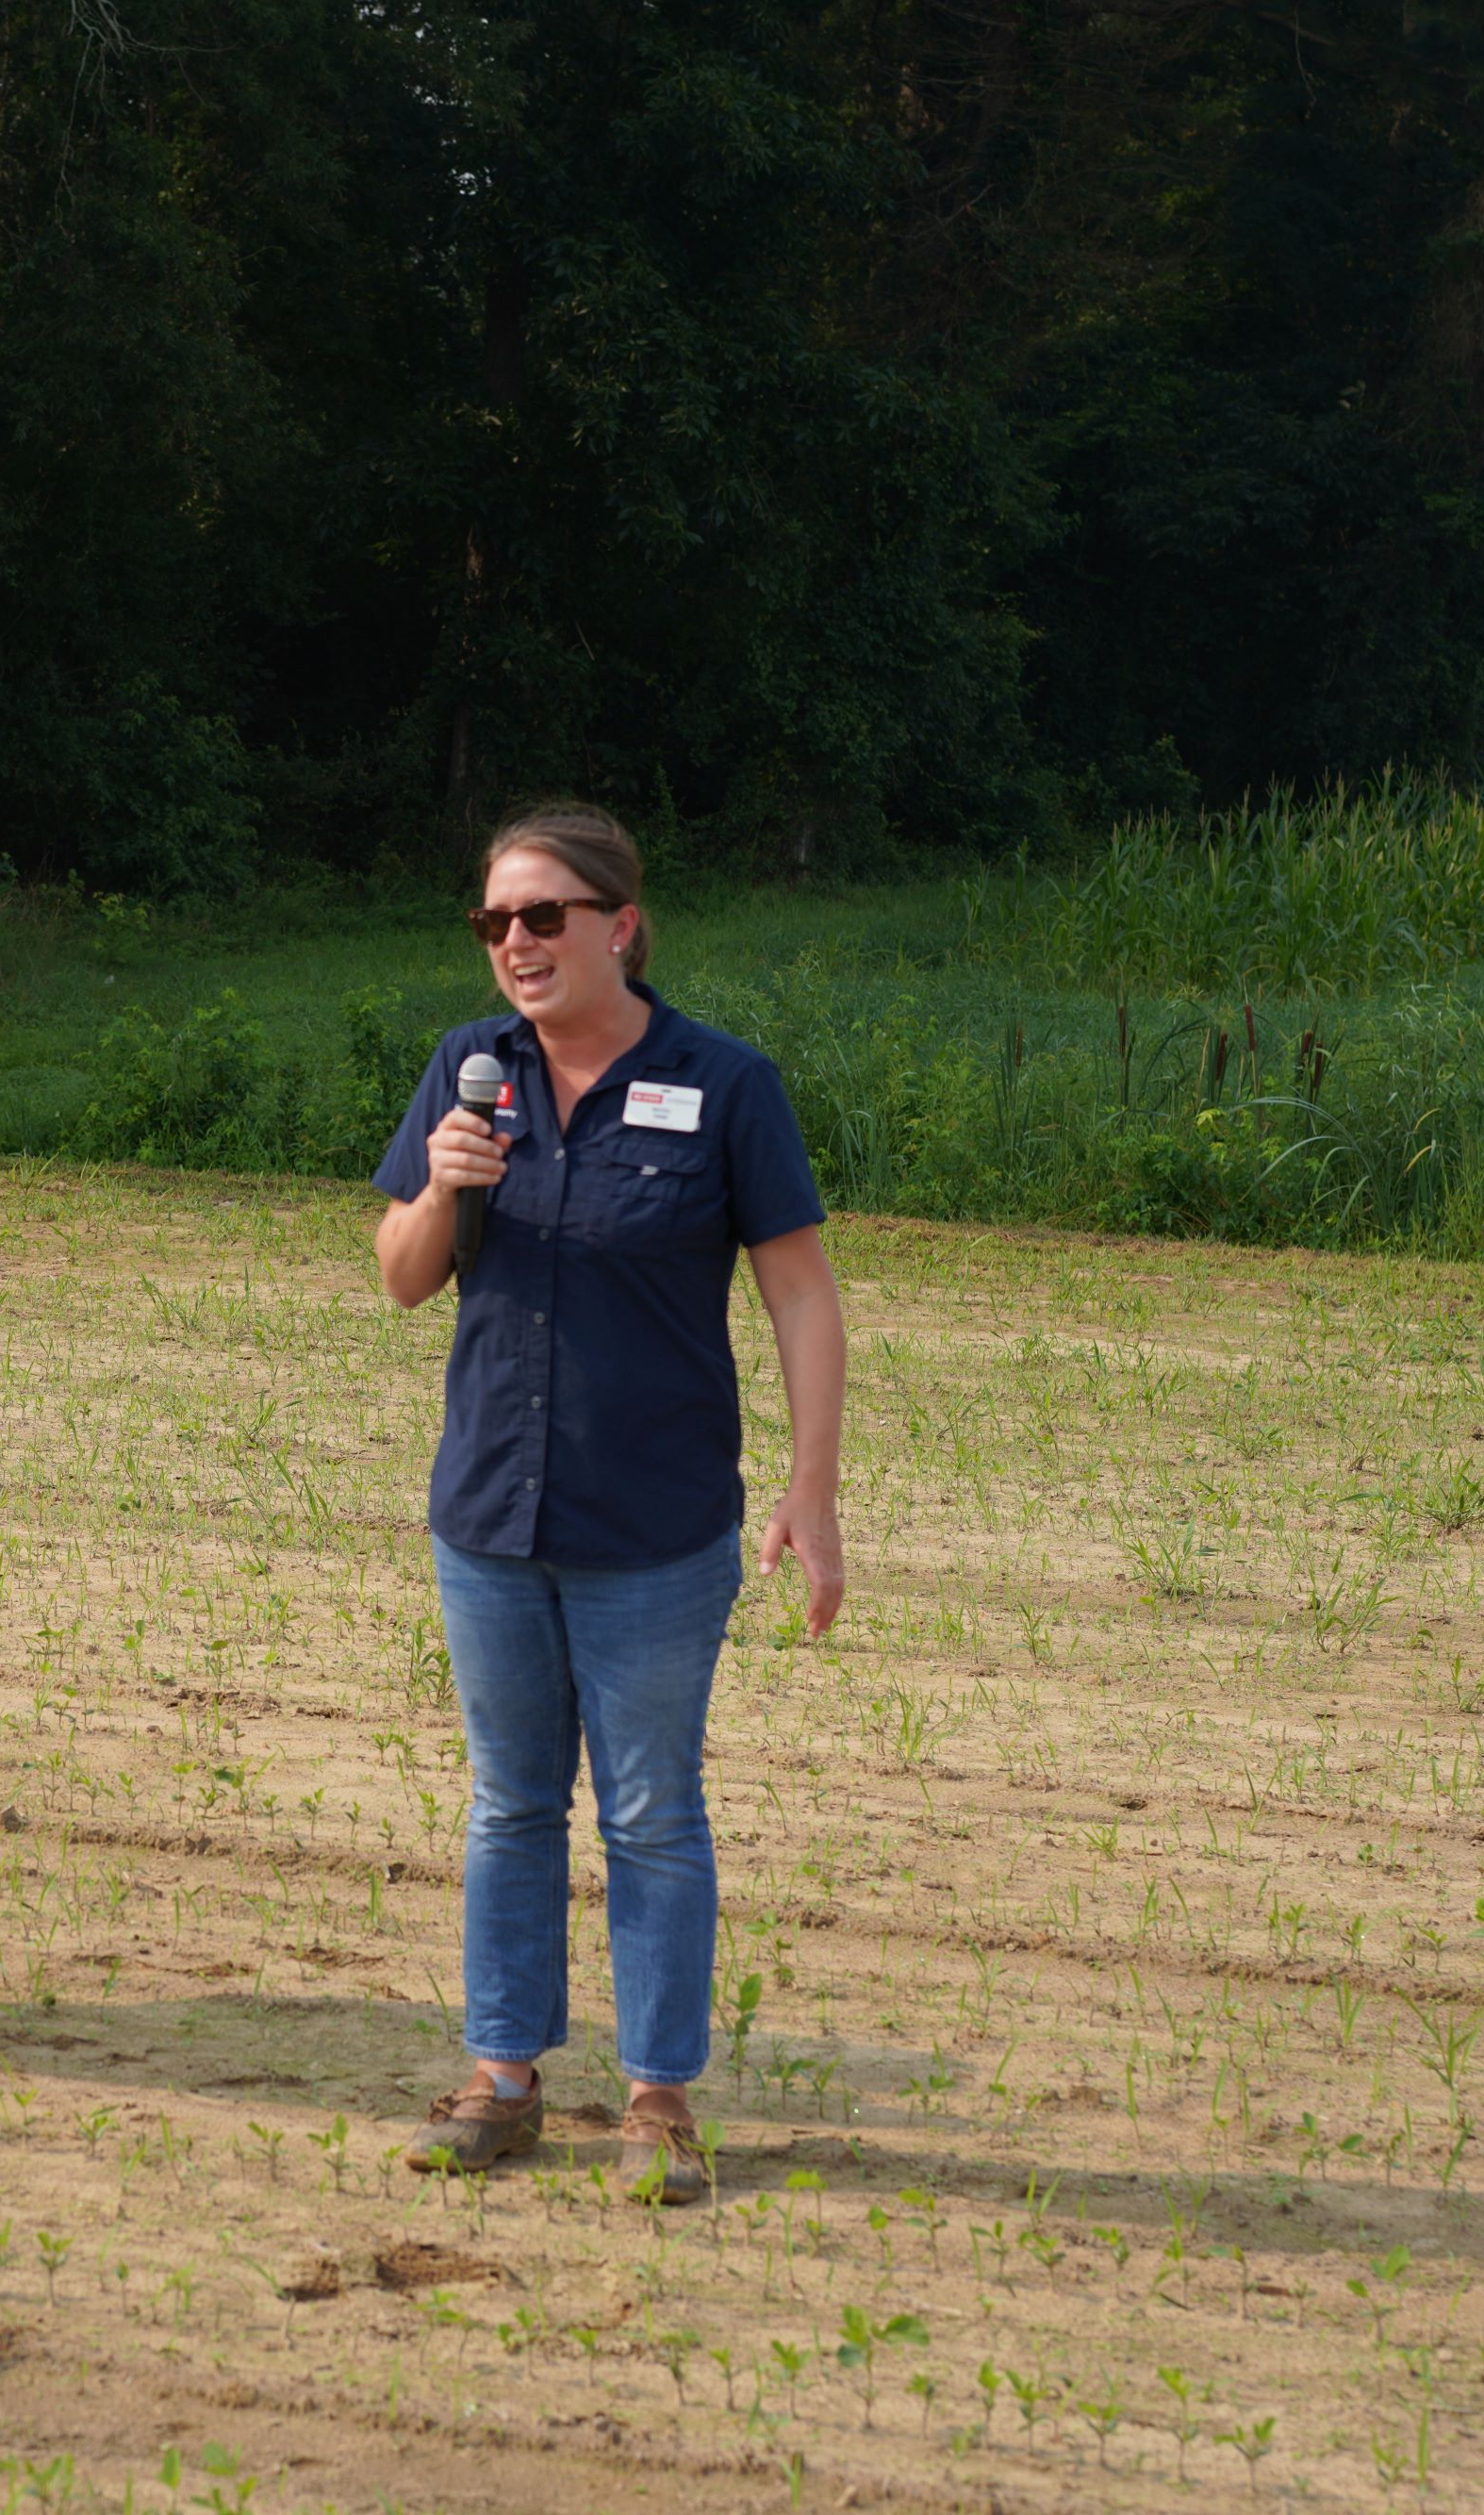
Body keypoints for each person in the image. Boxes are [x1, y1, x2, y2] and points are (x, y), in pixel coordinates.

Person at [371, 802, 847, 2204]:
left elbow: (803, 1295)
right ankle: (503, 2079)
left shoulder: (722, 1085)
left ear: (619, 925)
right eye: (493, 921)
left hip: (656, 1527)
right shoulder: (469, 1075)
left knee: (648, 1812)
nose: (515, 943)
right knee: (510, 1805)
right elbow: (400, 1274)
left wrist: (813, 1493)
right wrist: (442, 1192)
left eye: (543, 917)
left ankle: (657, 2102)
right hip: (493, 1521)